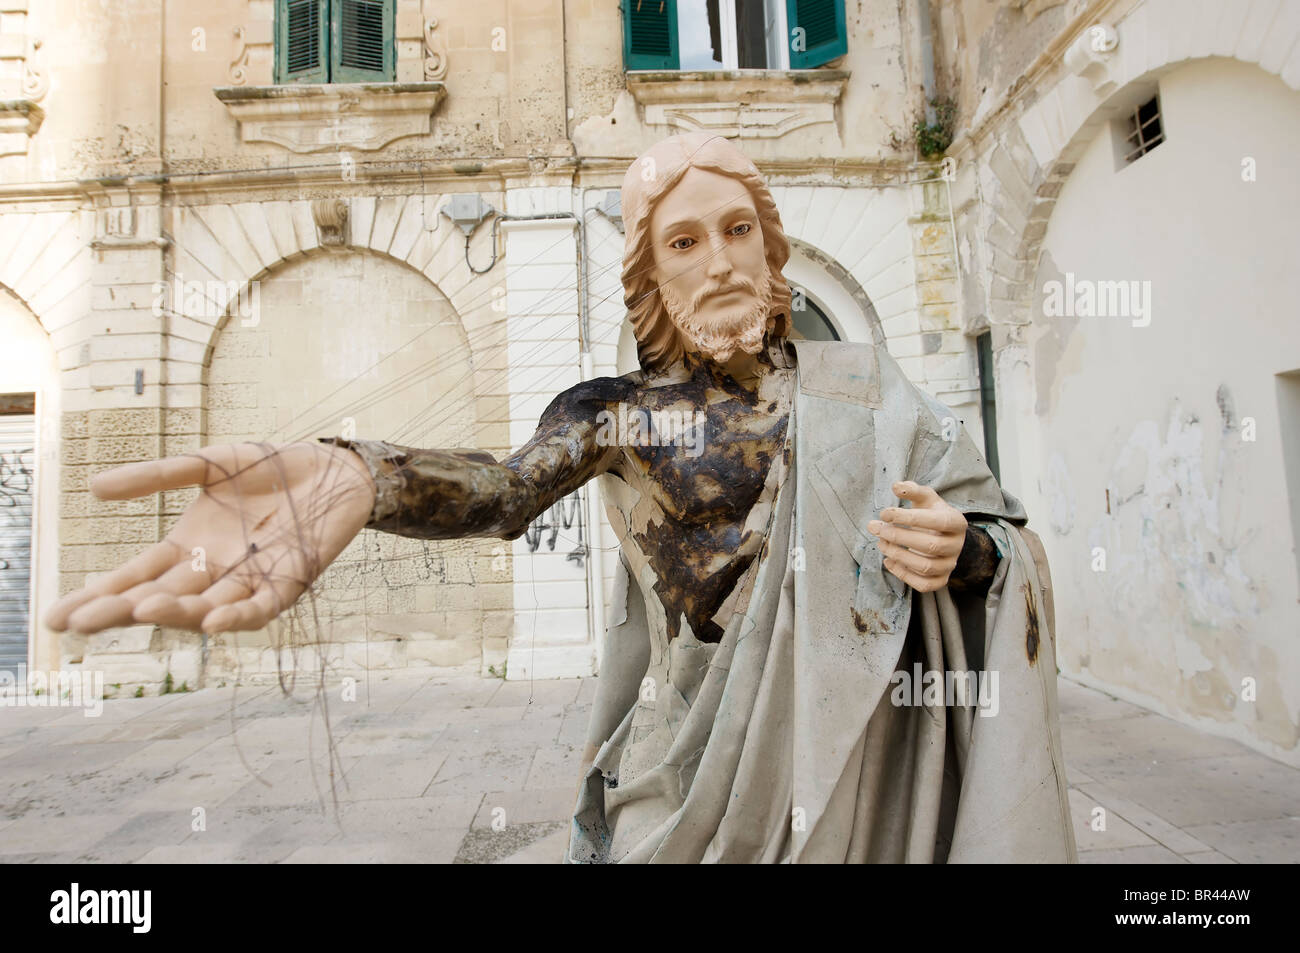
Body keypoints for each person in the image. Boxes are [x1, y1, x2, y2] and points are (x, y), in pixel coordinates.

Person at [47, 132, 1075, 863]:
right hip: (688, 758)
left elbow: (999, 533)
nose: (717, 261)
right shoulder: (613, 412)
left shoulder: (863, 389)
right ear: (649, 274)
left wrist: (965, 550)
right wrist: (366, 470)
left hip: (847, 750)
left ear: (770, 250)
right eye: (683, 241)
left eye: (735, 231)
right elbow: (501, 491)